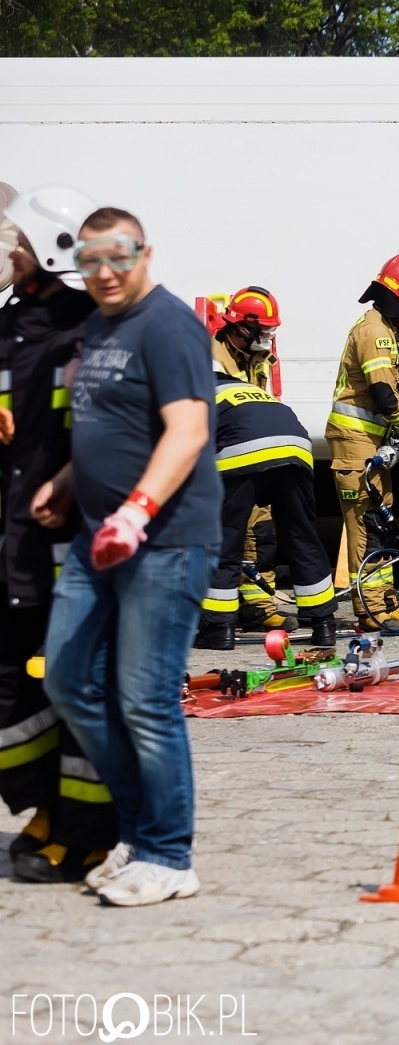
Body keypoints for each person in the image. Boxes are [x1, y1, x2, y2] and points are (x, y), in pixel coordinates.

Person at [41, 207, 221, 906]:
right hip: (97, 535)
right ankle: (138, 830)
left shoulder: (169, 324)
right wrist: (65, 484)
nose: (104, 273)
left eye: (117, 255)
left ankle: (170, 855)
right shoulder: (98, 324)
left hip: (164, 540)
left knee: (145, 699)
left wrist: (137, 510)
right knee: (68, 680)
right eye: (89, 261)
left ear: (145, 251)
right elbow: (106, 423)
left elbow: (188, 429)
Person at [0, 186, 117, 884]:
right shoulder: (7, 327)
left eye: (13, 241)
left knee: (73, 687)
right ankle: (41, 809)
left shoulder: (91, 332)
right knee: (13, 691)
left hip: (70, 548)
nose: (5, 252)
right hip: (11, 548)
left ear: (45, 250)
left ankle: (88, 833)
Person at [193, 364, 338, 650]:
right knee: (302, 538)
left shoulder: (193, 391)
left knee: (225, 540)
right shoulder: (248, 390)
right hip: (296, 450)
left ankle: (219, 628)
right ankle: (324, 625)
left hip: (242, 454)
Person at [326, 254, 399, 631]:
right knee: (367, 525)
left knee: (380, 522)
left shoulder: (388, 326)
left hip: (368, 442)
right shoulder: (376, 332)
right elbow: (385, 397)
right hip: (354, 442)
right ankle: (371, 609)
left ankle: (382, 603)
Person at [210, 286, 290, 631]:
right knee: (234, 533)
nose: (268, 338)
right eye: (263, 331)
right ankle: (230, 611)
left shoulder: (256, 359)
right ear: (240, 328)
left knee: (261, 526)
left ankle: (257, 602)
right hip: (218, 454)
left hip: (247, 454)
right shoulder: (211, 358)